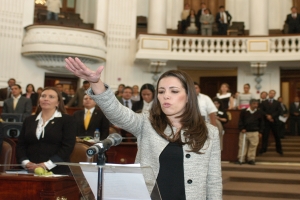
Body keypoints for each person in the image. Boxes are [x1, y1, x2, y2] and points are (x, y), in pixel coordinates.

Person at [65, 57, 222, 200]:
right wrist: (95, 82)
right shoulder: (147, 122)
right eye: (161, 91)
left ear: (188, 96)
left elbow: (213, 180)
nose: (166, 96)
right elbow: (117, 113)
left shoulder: (210, 132)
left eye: (174, 91)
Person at [16, 87, 76, 174]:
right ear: (39, 100)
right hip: (29, 170)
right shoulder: (29, 120)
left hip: (57, 171)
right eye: (43, 96)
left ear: (58, 103)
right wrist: (26, 163)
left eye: (51, 97)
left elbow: (67, 147)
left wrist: (46, 165)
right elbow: (21, 145)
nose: (46, 99)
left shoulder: (67, 120)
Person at [236, 99, 264, 165]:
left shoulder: (259, 112)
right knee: (242, 146)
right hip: (244, 132)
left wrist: (261, 132)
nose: (256, 105)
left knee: (253, 146)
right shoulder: (244, 111)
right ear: (250, 104)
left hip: (254, 132)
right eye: (254, 104)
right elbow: (240, 121)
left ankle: (251, 159)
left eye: (257, 104)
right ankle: (241, 159)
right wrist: (241, 128)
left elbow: (262, 123)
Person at [259, 90, 283, 155]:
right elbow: (261, 111)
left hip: (274, 121)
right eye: (270, 93)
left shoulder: (277, 103)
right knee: (265, 136)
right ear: (268, 94)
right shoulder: (264, 102)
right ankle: (263, 149)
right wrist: (267, 116)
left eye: (273, 93)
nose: (271, 94)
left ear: (274, 95)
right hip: (266, 122)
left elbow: (279, 111)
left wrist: (272, 116)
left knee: (277, 136)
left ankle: (279, 150)